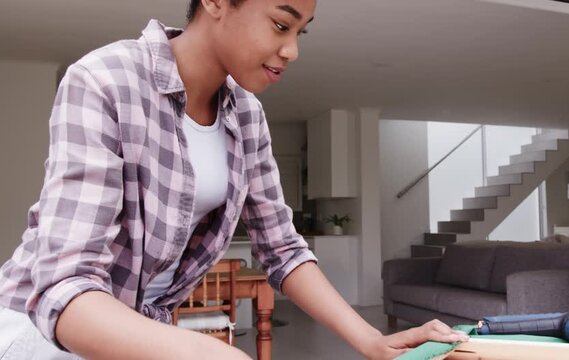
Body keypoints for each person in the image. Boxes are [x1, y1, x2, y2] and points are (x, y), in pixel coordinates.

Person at [0, 0, 469, 359]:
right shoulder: (104, 80)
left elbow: (283, 250)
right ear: (217, 2)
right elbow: (65, 288)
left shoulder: (247, 116)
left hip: (138, 329)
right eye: (281, 25)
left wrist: (371, 341)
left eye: (301, 31)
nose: (293, 50)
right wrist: (209, 351)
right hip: (42, 331)